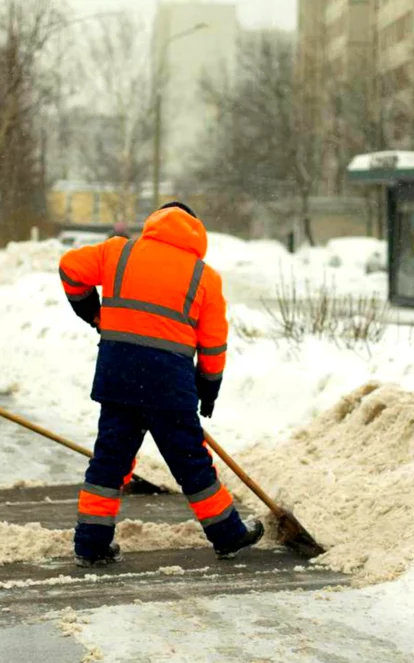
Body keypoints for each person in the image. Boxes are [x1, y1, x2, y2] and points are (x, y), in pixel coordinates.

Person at [59, 201, 264, 567]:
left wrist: (94, 313)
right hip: (169, 385)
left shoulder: (118, 251)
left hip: (118, 376)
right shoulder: (204, 276)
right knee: (191, 462)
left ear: (155, 222)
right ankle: (228, 535)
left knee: (109, 460)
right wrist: (208, 389)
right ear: (195, 232)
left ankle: (90, 544)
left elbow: (70, 269)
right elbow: (213, 343)